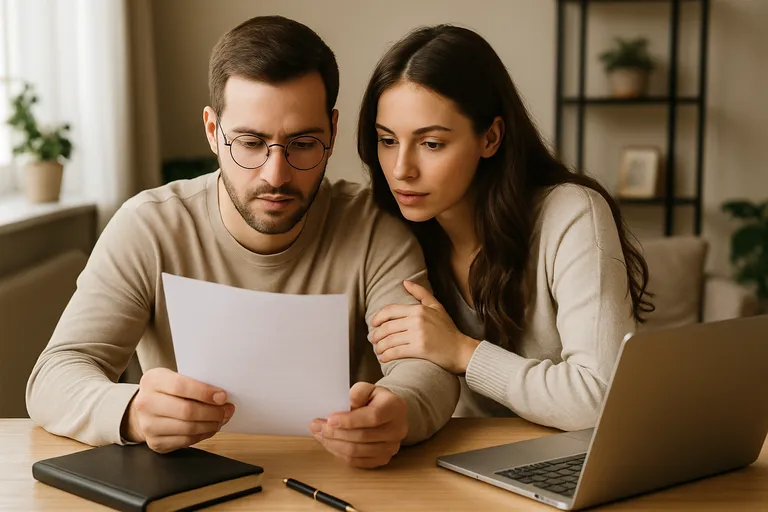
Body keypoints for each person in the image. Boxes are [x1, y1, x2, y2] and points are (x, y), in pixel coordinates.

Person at [26, 16, 459, 469]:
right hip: (189, 477)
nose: (276, 174)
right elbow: (55, 375)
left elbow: (428, 368)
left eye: (303, 143)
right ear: (213, 131)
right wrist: (132, 412)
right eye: (251, 143)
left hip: (339, 477)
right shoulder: (148, 226)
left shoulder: (374, 227)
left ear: (331, 132)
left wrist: (398, 410)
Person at [357, 25, 653, 431]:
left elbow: (599, 398)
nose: (401, 169)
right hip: (455, 463)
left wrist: (462, 352)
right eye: (387, 140)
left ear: (491, 138)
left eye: (431, 144)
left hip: (574, 463)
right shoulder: (391, 230)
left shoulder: (570, 214)